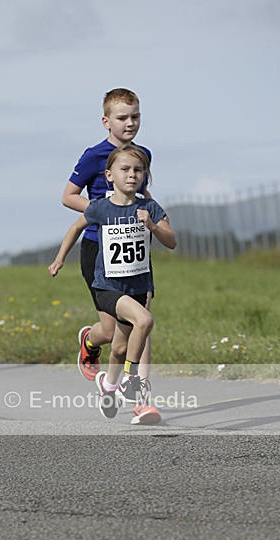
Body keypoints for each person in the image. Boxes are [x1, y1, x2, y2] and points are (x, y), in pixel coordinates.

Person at [49, 144, 176, 424]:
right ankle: (132, 381)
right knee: (144, 321)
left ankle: (108, 386)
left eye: (138, 170)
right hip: (107, 287)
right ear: (109, 175)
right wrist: (59, 259)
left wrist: (153, 226)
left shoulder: (150, 208)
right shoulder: (100, 208)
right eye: (125, 169)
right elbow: (76, 227)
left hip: (138, 287)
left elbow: (171, 241)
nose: (132, 175)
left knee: (119, 348)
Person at [62, 88, 154, 384]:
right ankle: (90, 340)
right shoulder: (94, 156)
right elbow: (68, 196)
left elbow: (142, 194)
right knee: (112, 331)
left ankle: (140, 393)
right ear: (106, 122)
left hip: (133, 248)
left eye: (135, 116)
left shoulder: (143, 155)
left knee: (141, 320)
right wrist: (105, 211)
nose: (130, 123)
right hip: (98, 248)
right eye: (122, 117)